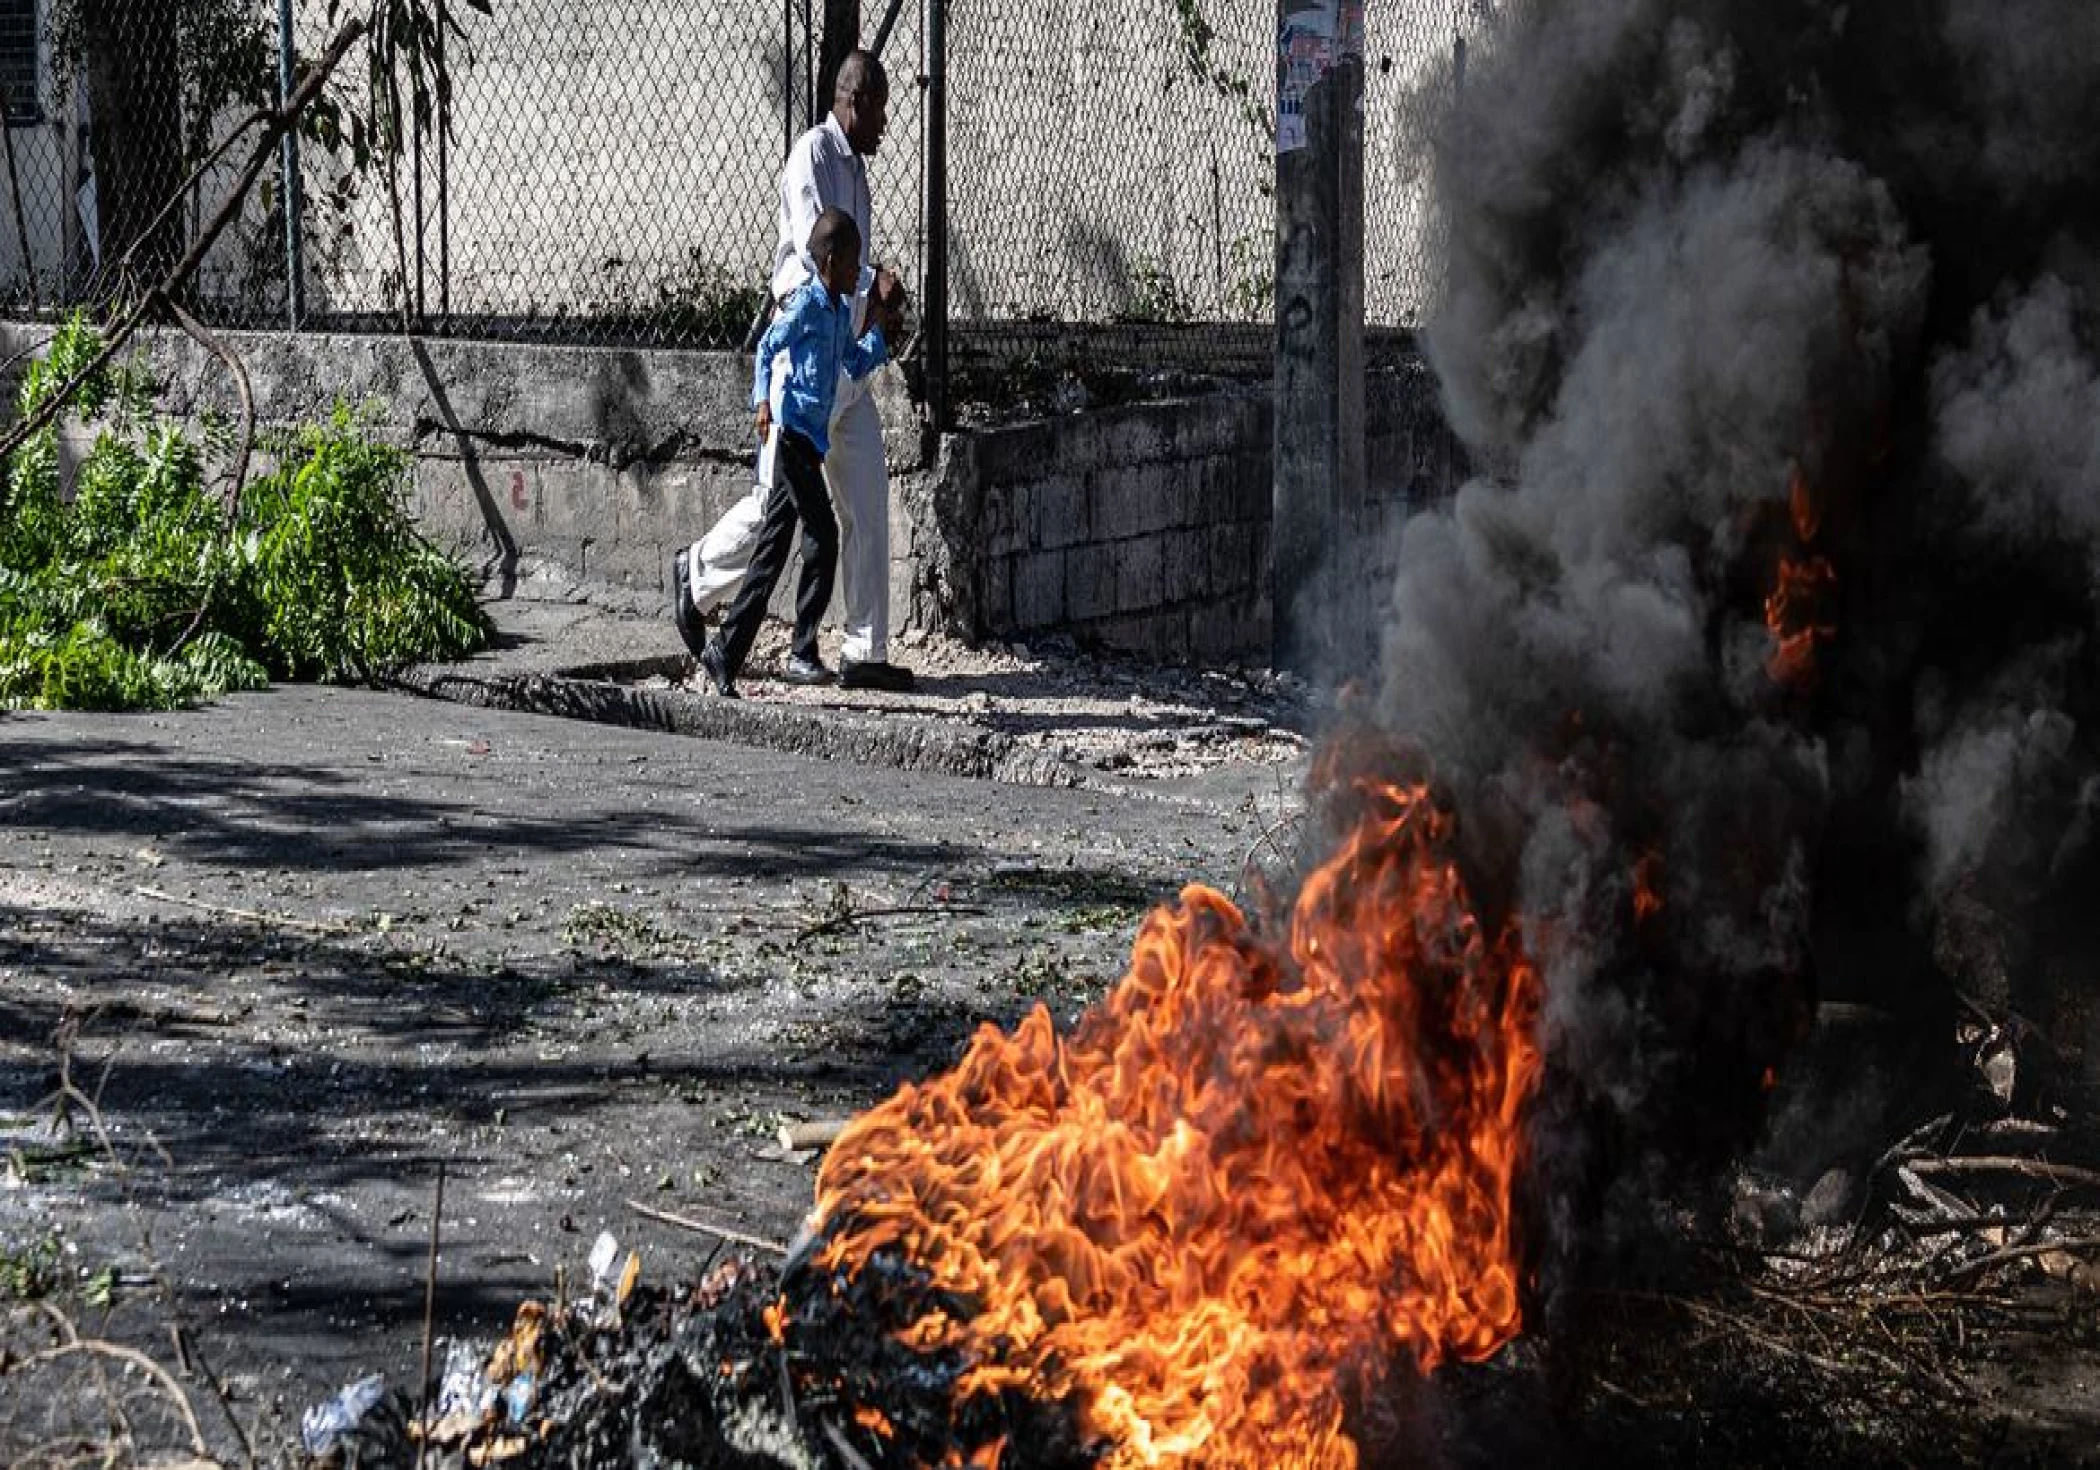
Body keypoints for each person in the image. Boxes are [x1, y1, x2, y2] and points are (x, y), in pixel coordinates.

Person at [672, 49, 915, 691]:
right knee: (775, 513)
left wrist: (879, 329)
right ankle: (697, 575)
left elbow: (849, 270)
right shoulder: (813, 153)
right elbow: (819, 249)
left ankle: (864, 652)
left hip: (842, 354)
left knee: (865, 499)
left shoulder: (856, 171)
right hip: (804, 364)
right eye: (882, 107)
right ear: (854, 101)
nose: (887, 122)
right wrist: (874, 280)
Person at [697, 209, 891, 699]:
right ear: (828, 262)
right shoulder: (806, 304)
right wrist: (762, 401)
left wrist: (882, 331)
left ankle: (726, 651)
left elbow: (854, 359)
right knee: (822, 535)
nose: (857, 273)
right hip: (792, 439)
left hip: (811, 440)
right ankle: (801, 650)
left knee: (771, 551)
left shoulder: (836, 312)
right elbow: (766, 347)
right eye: (850, 263)